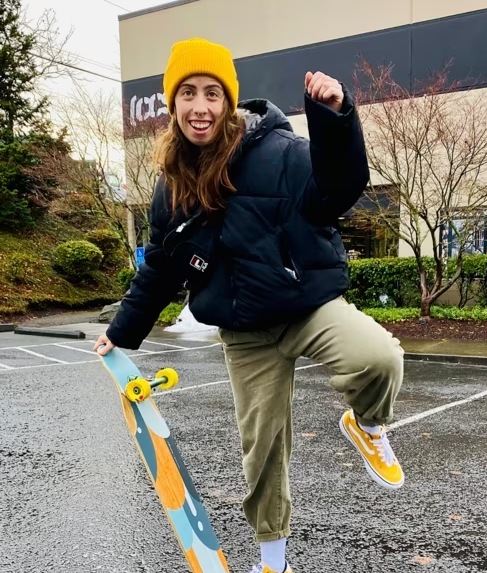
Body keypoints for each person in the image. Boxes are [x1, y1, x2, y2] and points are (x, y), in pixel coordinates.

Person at [94, 38, 406, 573]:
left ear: (228, 99)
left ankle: (368, 424)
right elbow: (162, 270)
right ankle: (273, 562)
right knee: (262, 455)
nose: (200, 107)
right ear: (173, 105)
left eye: (212, 93)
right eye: (187, 94)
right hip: (244, 334)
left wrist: (335, 117)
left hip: (306, 306)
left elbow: (339, 188)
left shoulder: (279, 152)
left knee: (380, 358)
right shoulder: (170, 188)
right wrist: (123, 331)